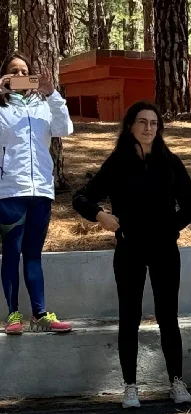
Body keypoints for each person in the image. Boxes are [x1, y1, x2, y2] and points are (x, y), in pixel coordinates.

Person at [73, 101, 191, 409]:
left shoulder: (170, 162)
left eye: (154, 123)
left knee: (168, 316)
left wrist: (170, 228)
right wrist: (100, 215)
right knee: (129, 317)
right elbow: (81, 197)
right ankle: (130, 386)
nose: (148, 128)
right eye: (142, 122)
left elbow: (190, 204)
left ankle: (176, 381)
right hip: (129, 249)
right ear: (131, 126)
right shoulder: (117, 162)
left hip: (164, 249)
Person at [0, 52, 74, 335]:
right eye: (13, 71)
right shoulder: (1, 107)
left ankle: (40, 314)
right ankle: (13, 315)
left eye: (24, 71)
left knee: (33, 255)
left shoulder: (44, 106)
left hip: (41, 190)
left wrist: (52, 93)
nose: (19, 76)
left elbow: (65, 128)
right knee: (11, 253)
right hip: (10, 191)